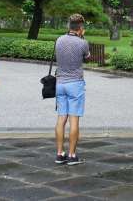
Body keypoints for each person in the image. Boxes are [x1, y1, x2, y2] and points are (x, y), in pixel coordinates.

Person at [54, 14, 91, 166]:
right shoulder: (83, 43)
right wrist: (82, 38)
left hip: (60, 83)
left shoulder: (59, 40)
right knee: (74, 118)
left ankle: (59, 154)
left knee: (61, 118)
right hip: (75, 83)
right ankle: (72, 155)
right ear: (80, 28)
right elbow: (87, 58)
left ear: (69, 25)